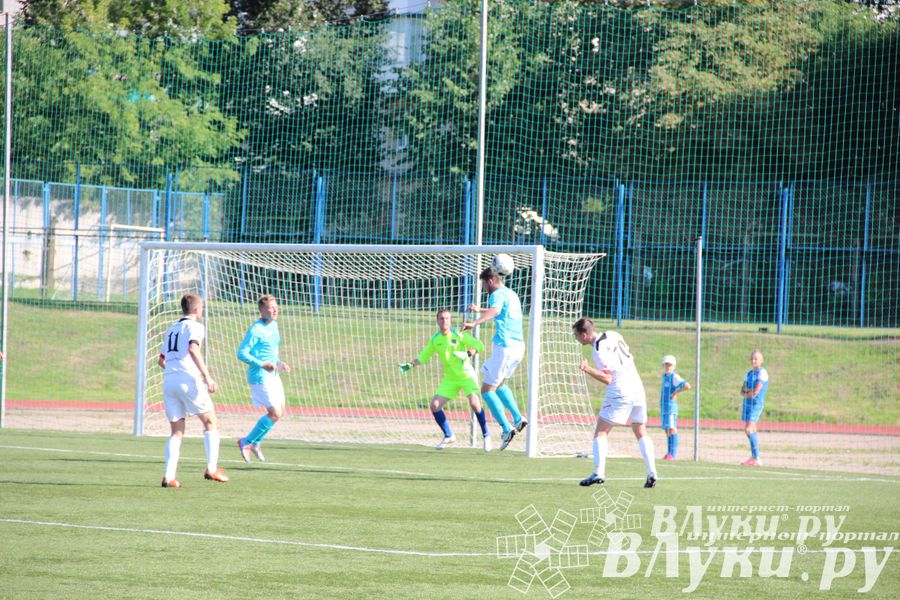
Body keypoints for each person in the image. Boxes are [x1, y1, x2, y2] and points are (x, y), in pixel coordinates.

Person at [572, 318, 657, 488]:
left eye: (576, 335)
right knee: (640, 431)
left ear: (584, 335)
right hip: (637, 388)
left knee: (600, 433)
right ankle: (652, 472)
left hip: (620, 392)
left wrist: (587, 369)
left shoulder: (598, 350)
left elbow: (608, 378)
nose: (576, 339)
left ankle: (598, 473)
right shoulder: (613, 334)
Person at [158, 294, 228, 488]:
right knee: (210, 422)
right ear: (197, 310)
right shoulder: (196, 326)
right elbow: (193, 349)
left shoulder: (172, 328)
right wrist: (207, 376)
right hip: (188, 381)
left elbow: (161, 360)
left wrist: (175, 371)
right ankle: (212, 469)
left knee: (176, 432)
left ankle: (169, 476)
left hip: (169, 381)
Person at [400, 309, 492, 451]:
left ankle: (486, 435)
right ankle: (449, 435)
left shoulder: (459, 335)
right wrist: (411, 364)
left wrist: (468, 353)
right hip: (450, 379)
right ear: (438, 321)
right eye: (442, 319)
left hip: (466, 375)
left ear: (450, 321)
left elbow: (480, 345)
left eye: (447, 318)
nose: (445, 321)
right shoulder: (435, 339)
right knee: (435, 405)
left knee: (474, 403)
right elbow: (424, 356)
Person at [462, 267, 527, 451]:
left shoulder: (496, 294)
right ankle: (518, 418)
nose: (484, 289)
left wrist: (474, 323)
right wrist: (480, 309)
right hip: (518, 347)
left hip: (504, 347)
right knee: (499, 386)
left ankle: (507, 429)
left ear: (490, 281)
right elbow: (499, 309)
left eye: (483, 285)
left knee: (487, 391)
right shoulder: (511, 293)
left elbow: (496, 311)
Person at [236, 295, 291, 463]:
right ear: (261, 310)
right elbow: (241, 353)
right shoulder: (255, 330)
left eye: (276, 306)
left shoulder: (274, 325)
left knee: (280, 411)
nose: (275, 310)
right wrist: (262, 364)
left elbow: (270, 351)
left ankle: (256, 442)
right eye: (270, 308)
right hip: (260, 377)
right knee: (274, 413)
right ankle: (245, 442)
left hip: (273, 375)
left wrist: (279, 363)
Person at [740, 349, 769, 467]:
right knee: (750, 430)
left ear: (761, 360)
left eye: (756, 359)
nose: (753, 360)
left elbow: (756, 392)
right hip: (747, 403)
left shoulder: (762, 373)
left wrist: (748, 392)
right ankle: (754, 457)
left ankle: (756, 457)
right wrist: (748, 393)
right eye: (752, 358)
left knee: (748, 429)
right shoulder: (748, 374)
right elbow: (742, 391)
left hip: (756, 404)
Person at [660, 355, 691, 460]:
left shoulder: (674, 377)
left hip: (670, 407)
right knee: (667, 430)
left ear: (674, 366)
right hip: (664, 407)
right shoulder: (665, 376)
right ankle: (669, 453)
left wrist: (675, 392)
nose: (668, 367)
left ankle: (672, 454)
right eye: (666, 364)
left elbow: (686, 385)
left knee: (672, 429)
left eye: (670, 365)